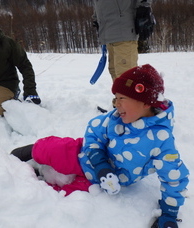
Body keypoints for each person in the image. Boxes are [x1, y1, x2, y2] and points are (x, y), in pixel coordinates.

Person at [78, 64, 189, 228]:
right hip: (84, 156)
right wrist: (100, 163)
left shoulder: (160, 139)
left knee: (70, 189)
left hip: (104, 181)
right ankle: (30, 151)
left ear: (145, 102)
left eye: (121, 98)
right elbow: (93, 131)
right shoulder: (114, 118)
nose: (116, 104)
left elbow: (173, 177)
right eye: (115, 98)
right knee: (52, 149)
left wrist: (169, 214)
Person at [92, 0, 155, 82]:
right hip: (108, 33)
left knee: (126, 76)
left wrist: (144, 5)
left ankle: (128, 94)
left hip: (124, 31)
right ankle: (120, 95)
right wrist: (96, 18)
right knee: (115, 73)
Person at [11, 136, 91, 196]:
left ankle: (41, 178)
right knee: (60, 151)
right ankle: (36, 151)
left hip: (93, 172)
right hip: (84, 151)